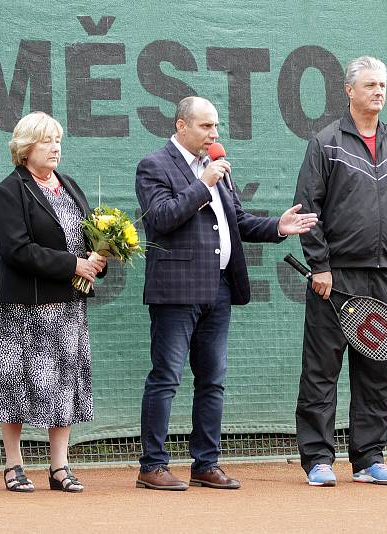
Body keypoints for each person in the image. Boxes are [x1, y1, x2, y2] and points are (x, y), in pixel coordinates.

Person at [134, 96, 318, 490]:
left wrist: (278, 227)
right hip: (176, 292)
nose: (214, 134)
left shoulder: (216, 168)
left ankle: (205, 463)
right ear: (181, 126)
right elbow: (162, 218)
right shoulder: (155, 166)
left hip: (217, 290)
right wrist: (203, 184)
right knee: (166, 377)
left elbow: (235, 220)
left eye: (215, 127)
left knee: (213, 380)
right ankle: (152, 465)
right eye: (205, 127)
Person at [293, 56, 387, 487]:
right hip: (336, 278)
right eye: (370, 84)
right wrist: (320, 264)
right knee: (321, 369)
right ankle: (318, 458)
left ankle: (370, 457)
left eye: (383, 85)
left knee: (378, 369)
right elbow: (307, 208)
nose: (379, 92)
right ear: (349, 90)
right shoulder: (326, 142)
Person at [0, 111, 107, 493]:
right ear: (25, 149)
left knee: (64, 384)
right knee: (15, 383)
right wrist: (75, 263)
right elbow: (17, 250)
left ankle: (59, 467)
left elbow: (85, 236)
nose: (55, 147)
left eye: (58, 140)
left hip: (68, 304)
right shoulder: (7, 192)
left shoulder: (69, 185)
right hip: (23, 306)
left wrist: (98, 257)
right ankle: (14, 464)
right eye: (46, 141)